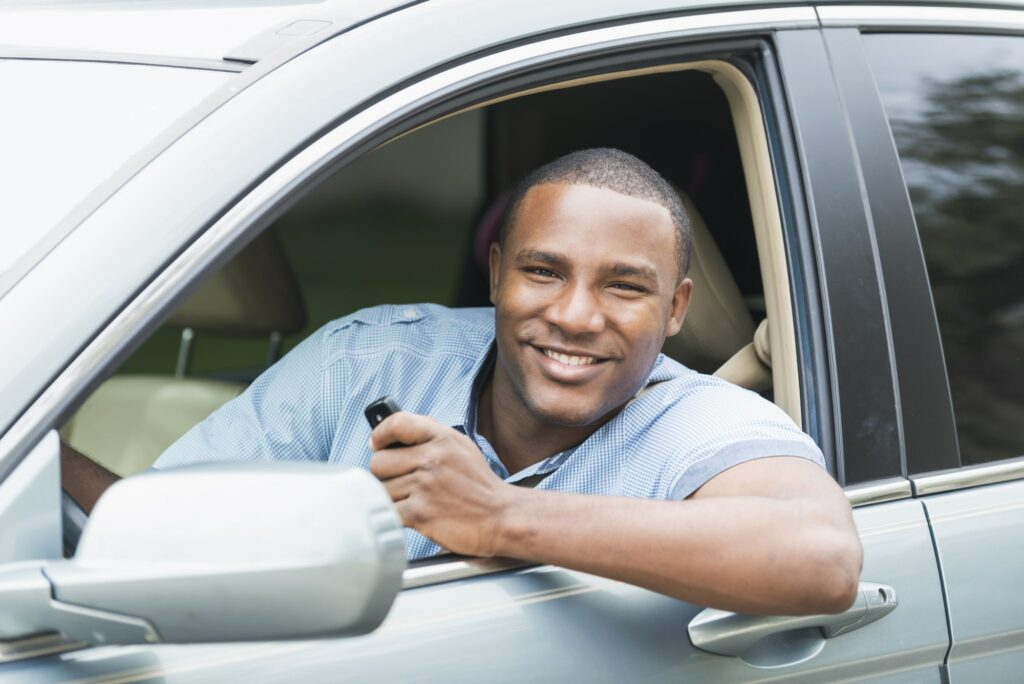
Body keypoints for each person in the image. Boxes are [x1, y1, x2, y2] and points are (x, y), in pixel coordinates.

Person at [63, 148, 862, 616]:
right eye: (543, 271)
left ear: (677, 306)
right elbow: (160, 521)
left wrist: (500, 516)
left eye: (624, 286)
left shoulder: (700, 422)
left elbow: (821, 559)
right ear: (495, 275)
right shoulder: (371, 356)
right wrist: (39, 458)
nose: (576, 316)